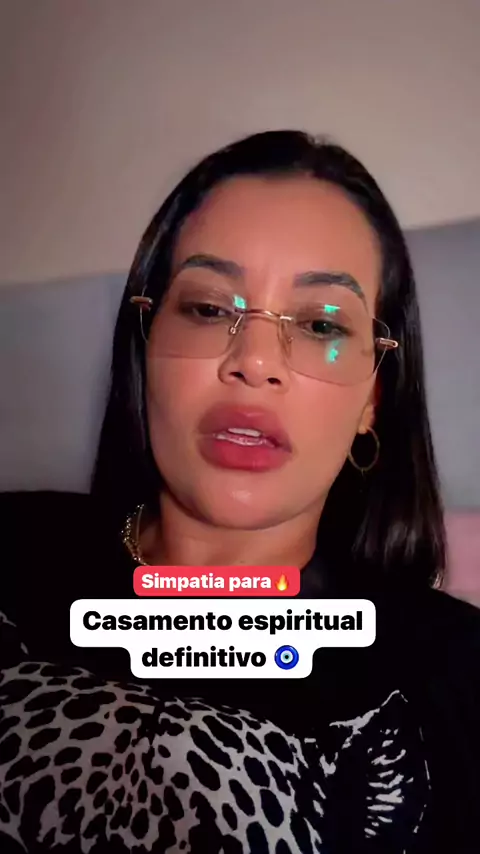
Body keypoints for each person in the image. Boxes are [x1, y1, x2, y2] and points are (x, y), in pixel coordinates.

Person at [1, 130, 479, 853]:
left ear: (373, 399)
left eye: (320, 323)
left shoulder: (458, 677)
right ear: (145, 343)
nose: (254, 361)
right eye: (208, 309)